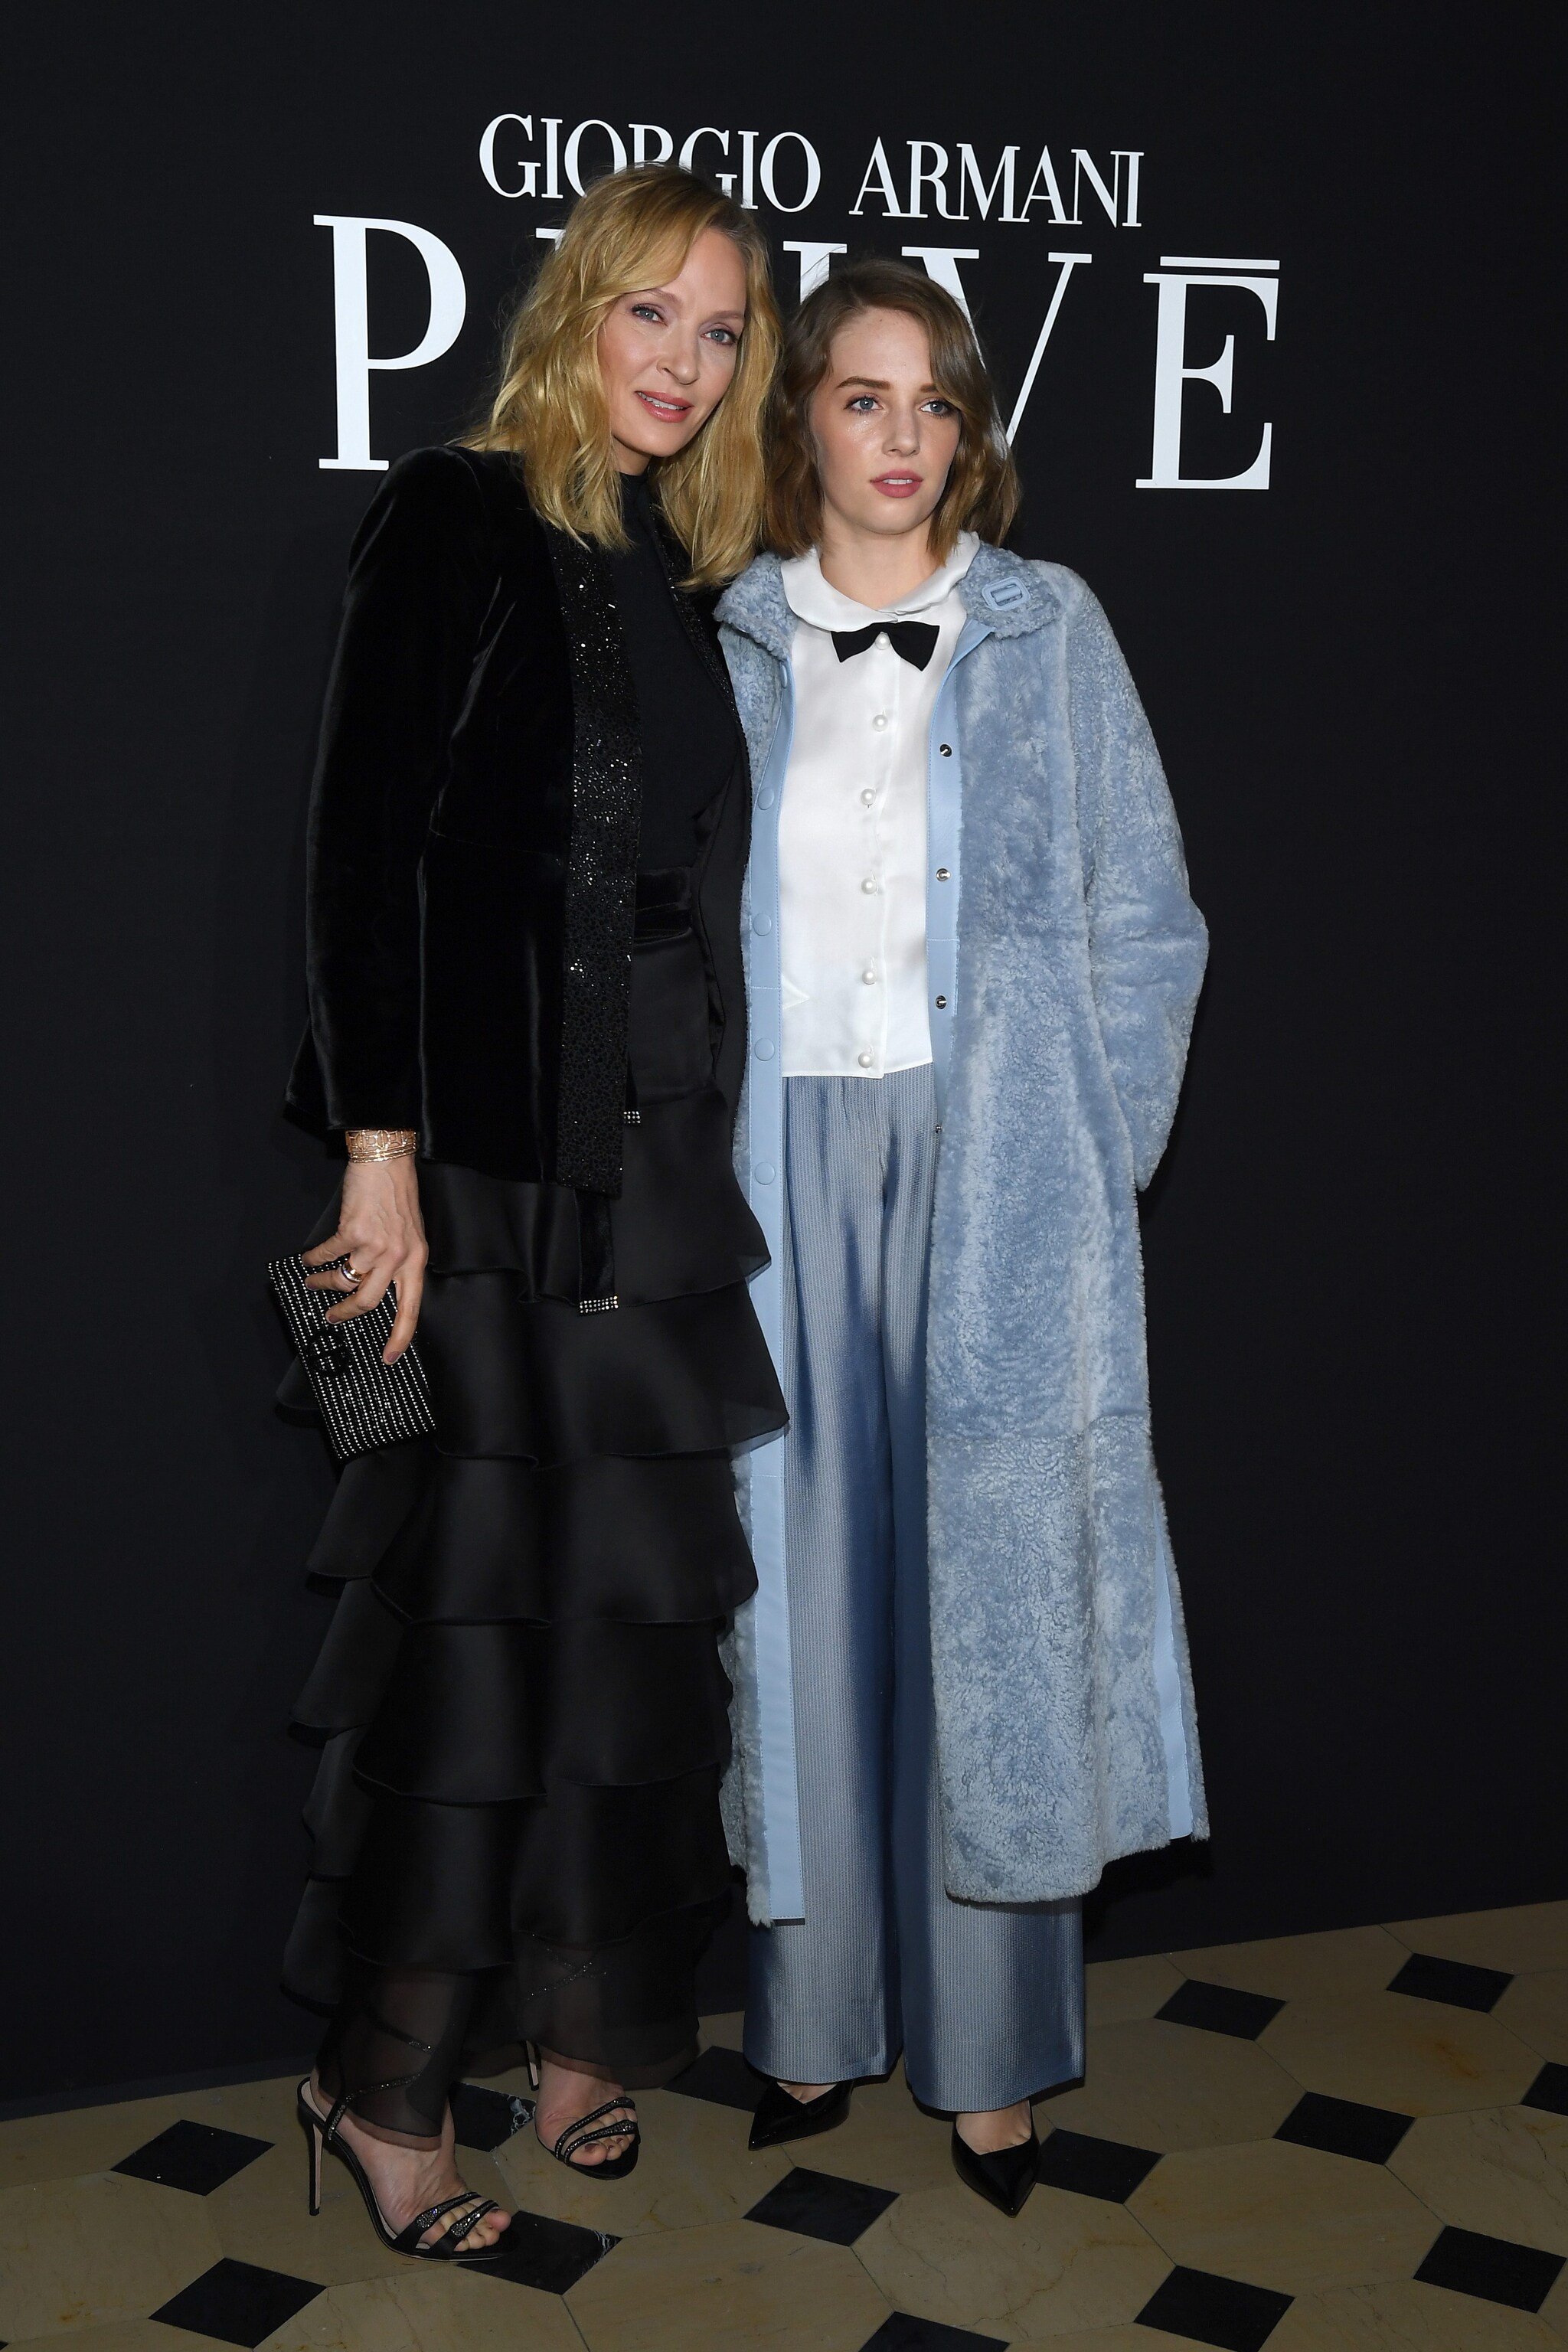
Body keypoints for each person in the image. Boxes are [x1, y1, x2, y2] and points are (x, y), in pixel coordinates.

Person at [279, 164, 784, 2262]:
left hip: (658, 1165)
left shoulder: (685, 555)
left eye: (722, 331)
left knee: (630, 1630)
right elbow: (359, 847)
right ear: (575, 311)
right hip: (479, 1174)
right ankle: (383, 2082)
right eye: (651, 312)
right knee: (475, 1630)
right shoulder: (456, 513)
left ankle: (586, 2023)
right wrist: (377, 1154)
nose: (685, 360)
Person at [716, 259, 1209, 2219]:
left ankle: (995, 2063)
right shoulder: (731, 632)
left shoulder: (1045, 624)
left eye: (935, 402)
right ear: (802, 421)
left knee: (991, 1611)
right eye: (863, 397)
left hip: (994, 1169)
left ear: (969, 429)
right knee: (798, 1603)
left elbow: (1146, 917)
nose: (903, 436)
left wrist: (1086, 1152)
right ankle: (812, 2021)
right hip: (774, 1173)